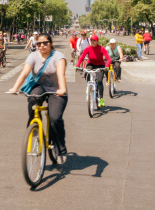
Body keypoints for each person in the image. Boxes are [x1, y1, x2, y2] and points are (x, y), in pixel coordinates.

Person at [8, 33, 68, 164]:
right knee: (33, 98)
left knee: (54, 118)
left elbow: (60, 74)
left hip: (57, 89)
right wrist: (14, 87)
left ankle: (60, 148)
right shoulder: (33, 55)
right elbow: (24, 72)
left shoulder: (58, 57)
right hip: (40, 86)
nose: (42, 46)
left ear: (50, 43)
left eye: (45, 43)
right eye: (39, 44)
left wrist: (62, 89)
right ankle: (35, 126)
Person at [76, 35, 111, 107]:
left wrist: (107, 66)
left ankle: (101, 99)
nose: (92, 42)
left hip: (100, 65)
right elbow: (82, 57)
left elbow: (108, 59)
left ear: (97, 41)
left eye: (94, 40)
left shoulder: (101, 48)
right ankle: (90, 87)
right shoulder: (88, 48)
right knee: (87, 72)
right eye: (91, 40)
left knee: (100, 81)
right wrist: (77, 65)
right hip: (90, 64)